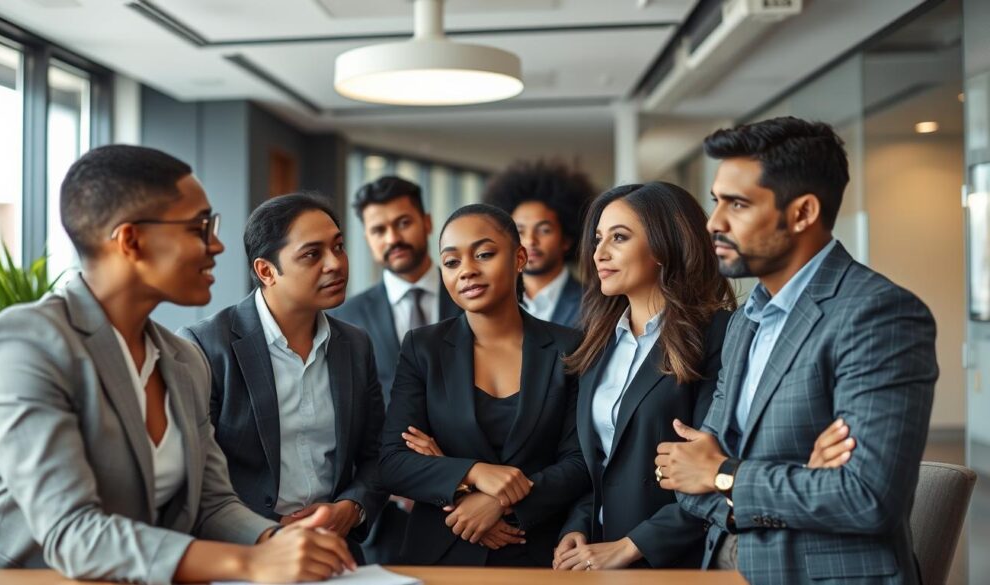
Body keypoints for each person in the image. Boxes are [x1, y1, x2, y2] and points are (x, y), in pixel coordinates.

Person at [0, 145, 355, 584]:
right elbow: (72, 533)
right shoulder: (27, 342)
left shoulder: (184, 358)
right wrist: (250, 563)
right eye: (199, 227)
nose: (217, 245)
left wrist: (274, 541)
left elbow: (213, 504)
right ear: (131, 240)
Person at [655, 117, 938, 584]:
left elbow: (867, 498)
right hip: (724, 567)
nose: (714, 223)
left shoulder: (879, 314)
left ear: (803, 212)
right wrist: (787, 478)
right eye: (716, 202)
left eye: (738, 204)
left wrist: (726, 474)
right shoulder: (747, 319)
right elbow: (684, 475)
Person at [178, 193, 387, 563]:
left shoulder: (354, 344)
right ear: (266, 271)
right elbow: (194, 477)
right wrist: (270, 528)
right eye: (312, 254)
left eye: (338, 247)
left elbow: (377, 455)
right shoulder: (206, 346)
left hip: (337, 553)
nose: (335, 264)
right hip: (243, 556)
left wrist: (350, 509)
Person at [382, 204, 589, 566]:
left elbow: (579, 462)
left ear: (519, 257)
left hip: (539, 552)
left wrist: (498, 502)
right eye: (451, 262)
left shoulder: (569, 347)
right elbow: (393, 461)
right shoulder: (423, 348)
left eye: (484, 254)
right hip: (441, 551)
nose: (467, 271)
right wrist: (472, 476)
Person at [547, 182, 736, 571]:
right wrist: (580, 524)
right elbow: (597, 460)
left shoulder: (719, 334)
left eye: (619, 237)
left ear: (666, 245)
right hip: (597, 560)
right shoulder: (597, 342)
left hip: (677, 562)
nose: (599, 253)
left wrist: (632, 546)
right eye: (598, 238)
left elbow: (711, 467)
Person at [330, 175, 463, 563]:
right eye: (378, 230)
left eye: (402, 223)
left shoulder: (473, 296)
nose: (392, 238)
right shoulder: (344, 317)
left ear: (426, 222)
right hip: (382, 514)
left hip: (470, 499)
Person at [483, 159, 595, 328]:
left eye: (544, 230)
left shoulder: (594, 304)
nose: (530, 241)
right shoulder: (492, 299)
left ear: (566, 239)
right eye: (519, 231)